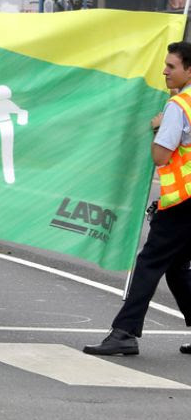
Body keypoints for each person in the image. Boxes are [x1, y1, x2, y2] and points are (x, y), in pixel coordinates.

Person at [83, 40, 191, 356]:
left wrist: (158, 127)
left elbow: (160, 156)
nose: (165, 71)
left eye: (171, 66)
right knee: (176, 267)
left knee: (149, 263)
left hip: (182, 203)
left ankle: (124, 333)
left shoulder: (178, 107)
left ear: (189, 69)